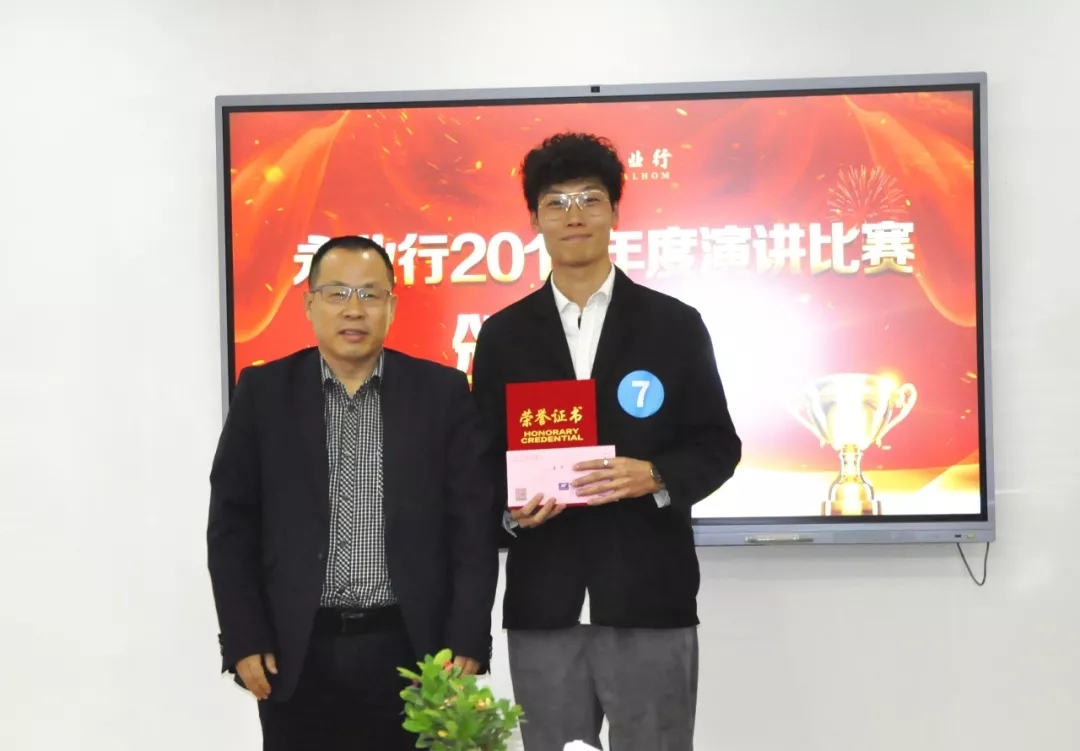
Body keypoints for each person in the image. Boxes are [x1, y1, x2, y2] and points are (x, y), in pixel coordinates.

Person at [471, 133, 742, 751]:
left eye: (589, 199)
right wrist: (509, 513)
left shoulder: (674, 326)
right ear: (534, 220)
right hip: (546, 604)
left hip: (650, 597)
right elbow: (480, 461)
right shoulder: (504, 336)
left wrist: (657, 475)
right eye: (556, 202)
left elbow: (718, 444)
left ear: (615, 212)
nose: (574, 215)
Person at [207, 235, 498, 751]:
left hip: (413, 651)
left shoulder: (441, 393)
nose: (354, 309)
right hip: (296, 652)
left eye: (370, 294)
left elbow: (472, 529)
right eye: (337, 293)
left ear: (392, 306)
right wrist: (244, 637)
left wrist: (468, 637)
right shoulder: (264, 393)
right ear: (309, 303)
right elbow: (232, 527)